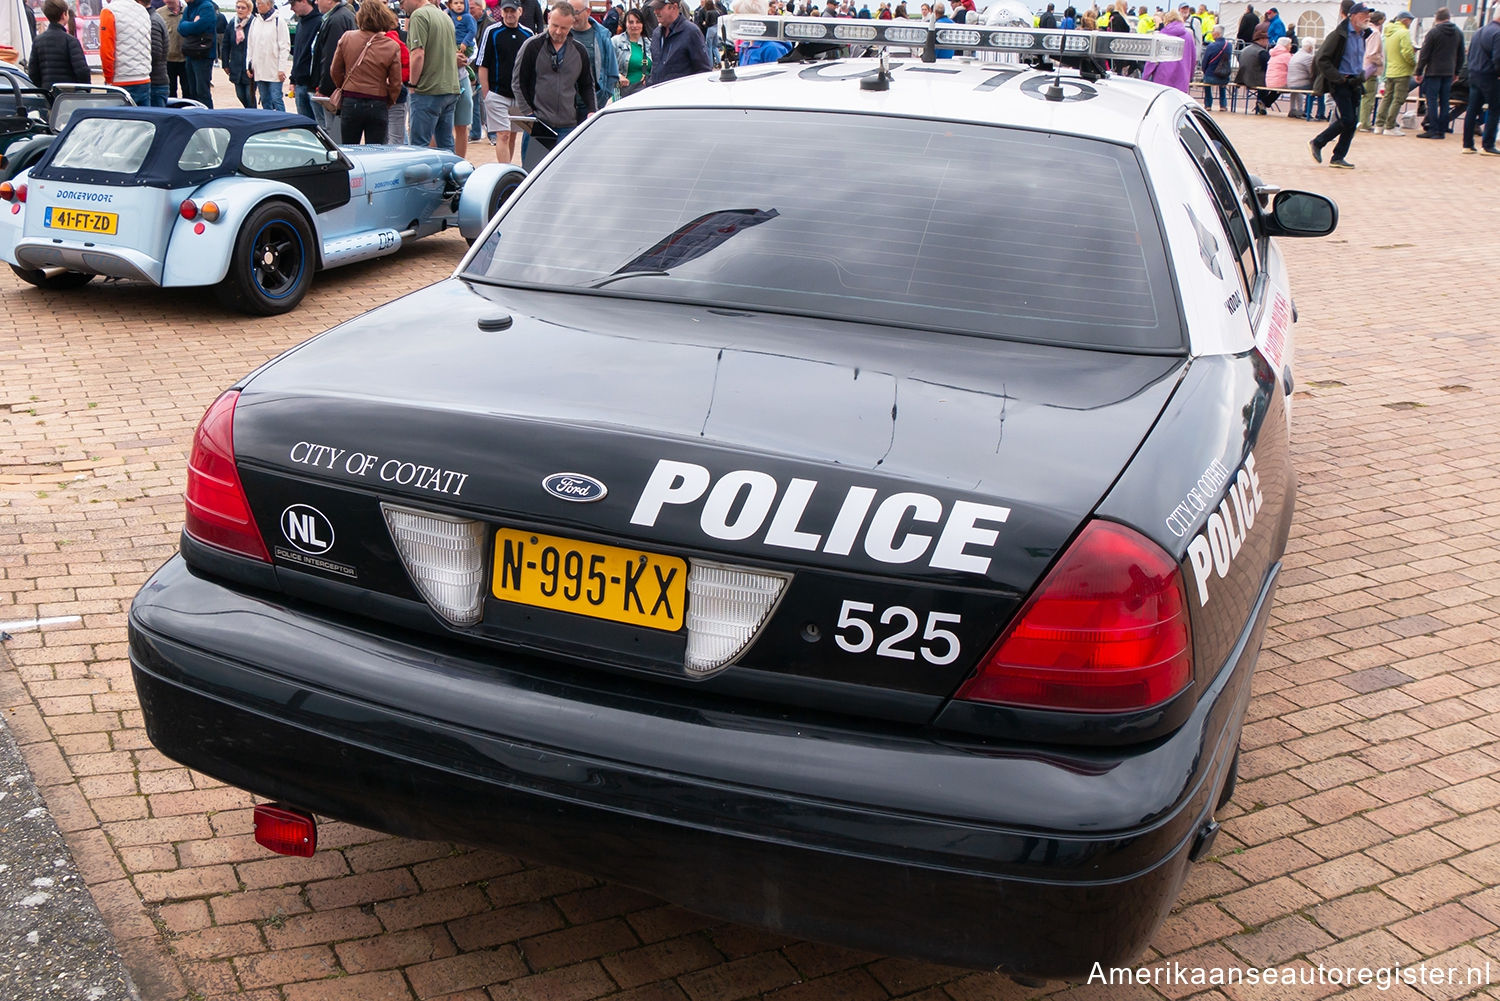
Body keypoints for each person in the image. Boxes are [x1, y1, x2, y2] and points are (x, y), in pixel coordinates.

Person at [511, 1, 596, 141]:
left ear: (572, 24)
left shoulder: (579, 51)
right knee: (535, 163)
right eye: (555, 26)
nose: (558, 31)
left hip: (568, 125)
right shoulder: (532, 46)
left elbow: (587, 84)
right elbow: (518, 83)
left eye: (564, 28)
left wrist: (592, 110)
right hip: (539, 122)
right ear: (549, 17)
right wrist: (529, 114)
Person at [1309, 0, 1371, 168]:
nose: (1367, 18)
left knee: (1353, 121)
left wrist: (1362, 73)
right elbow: (1322, 59)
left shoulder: (1362, 35)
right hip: (1340, 82)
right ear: (1353, 16)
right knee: (1347, 118)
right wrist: (1338, 78)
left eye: (1368, 15)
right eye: (1364, 15)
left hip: (1355, 82)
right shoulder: (1339, 35)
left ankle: (1338, 157)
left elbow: (1357, 60)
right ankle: (1318, 142)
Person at [330, 0, 402, 142]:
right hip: (378, 100)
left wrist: (343, 85)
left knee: (349, 148)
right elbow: (396, 82)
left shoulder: (347, 37)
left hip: (351, 99)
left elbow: (335, 70)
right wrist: (389, 100)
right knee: (376, 150)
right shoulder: (391, 46)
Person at [404, 0, 461, 149]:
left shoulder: (419, 15)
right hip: (449, 88)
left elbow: (417, 53)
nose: (401, 5)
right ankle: (451, 172)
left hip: (428, 89)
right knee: (446, 145)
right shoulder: (444, 16)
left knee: (419, 147)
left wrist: (412, 84)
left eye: (402, 1)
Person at [478, 0, 531, 159]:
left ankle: (508, 171)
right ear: (501, 12)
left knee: (512, 135)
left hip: (519, 96)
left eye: (512, 11)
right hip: (497, 93)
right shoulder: (492, 32)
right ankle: (504, 172)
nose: (509, 14)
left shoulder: (528, 34)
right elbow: (482, 63)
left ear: (520, 11)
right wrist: (487, 94)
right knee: (503, 134)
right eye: (506, 11)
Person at [1414, 7, 1463, 138]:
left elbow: (1424, 54)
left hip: (1433, 72)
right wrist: (1456, 72)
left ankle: (1433, 128)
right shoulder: (1458, 32)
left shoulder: (1433, 32)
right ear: (1449, 17)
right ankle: (1442, 129)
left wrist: (1419, 71)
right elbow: (1461, 54)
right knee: (1445, 101)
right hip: (1449, 72)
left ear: (1437, 18)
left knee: (1432, 101)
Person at [28, 0, 91, 91]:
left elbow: (33, 72)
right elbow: (82, 70)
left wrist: (42, 89)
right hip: (68, 94)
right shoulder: (70, 41)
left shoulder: (38, 41)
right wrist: (85, 90)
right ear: (64, 15)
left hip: (47, 93)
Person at [313, 0, 356, 132]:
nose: (315, 2)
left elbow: (332, 58)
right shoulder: (342, 15)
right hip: (342, 86)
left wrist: (325, 88)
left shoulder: (336, 20)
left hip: (335, 89)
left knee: (334, 134)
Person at [101, 0, 154, 103]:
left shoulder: (109, 11)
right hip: (144, 77)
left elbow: (107, 50)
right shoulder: (143, 11)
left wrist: (108, 80)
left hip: (121, 80)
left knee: (119, 118)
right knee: (143, 117)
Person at [1463, 4, 1500, 153]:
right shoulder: (1498, 33)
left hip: (1475, 74)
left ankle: (1467, 144)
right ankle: (1488, 145)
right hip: (1491, 77)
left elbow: (1470, 53)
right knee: (1494, 109)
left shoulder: (1479, 31)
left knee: (1472, 109)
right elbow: (1498, 58)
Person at [645, 0, 707, 85]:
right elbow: (655, 67)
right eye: (655, 8)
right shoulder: (657, 34)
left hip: (682, 95)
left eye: (659, 8)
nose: (655, 11)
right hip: (658, 94)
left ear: (674, 7)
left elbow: (703, 71)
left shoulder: (691, 32)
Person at [571, 0, 618, 108]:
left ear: (588, 11)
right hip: (566, 107)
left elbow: (612, 71)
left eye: (576, 12)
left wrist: (601, 98)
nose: (573, 17)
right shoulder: (563, 33)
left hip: (593, 105)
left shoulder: (602, 36)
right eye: (569, 12)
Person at [1376, 10, 1415, 134]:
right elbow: (1407, 52)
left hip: (1390, 70)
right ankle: (1390, 126)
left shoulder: (1388, 32)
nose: (1410, 23)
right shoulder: (1404, 32)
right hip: (1402, 71)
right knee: (1398, 99)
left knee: (1387, 98)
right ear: (1405, 20)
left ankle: (1379, 125)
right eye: (1410, 21)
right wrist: (1414, 63)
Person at [245, 0, 289, 109]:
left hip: (274, 68)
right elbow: (250, 46)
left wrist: (282, 68)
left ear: (269, 5)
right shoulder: (255, 21)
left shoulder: (279, 21)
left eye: (260, 3)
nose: (257, 6)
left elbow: (284, 47)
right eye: (257, 3)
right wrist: (248, 65)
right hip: (259, 68)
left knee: (276, 98)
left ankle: (282, 124)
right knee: (264, 99)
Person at [448, 0, 478, 154]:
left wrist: (464, 51)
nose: (458, 5)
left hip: (462, 76)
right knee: (442, 125)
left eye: (461, 2)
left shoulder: (468, 18)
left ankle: (460, 160)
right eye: (455, 2)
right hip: (445, 78)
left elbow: (473, 44)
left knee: (462, 124)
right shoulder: (446, 17)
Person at [1142, 9, 1194, 93]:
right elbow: (1192, 58)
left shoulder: (1161, 35)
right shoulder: (1188, 35)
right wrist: (1190, 76)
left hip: (1163, 75)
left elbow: (1152, 60)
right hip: (1182, 75)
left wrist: (1145, 76)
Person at [176, 0, 218, 105]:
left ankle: (208, 117)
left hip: (203, 54)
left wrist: (188, 25)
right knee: (192, 91)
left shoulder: (206, 7)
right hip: (190, 53)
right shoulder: (188, 8)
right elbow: (180, 28)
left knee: (202, 92)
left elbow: (199, 27)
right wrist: (191, 24)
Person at [288, 0, 322, 121]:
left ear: (303, 2)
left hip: (313, 85)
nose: (291, 9)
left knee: (320, 127)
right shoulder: (300, 24)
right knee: (304, 126)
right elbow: (297, 54)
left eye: (293, 4)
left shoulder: (320, 22)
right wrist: (293, 79)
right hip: (300, 83)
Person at [220, 0, 253, 107]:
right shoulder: (232, 23)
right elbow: (225, 44)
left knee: (250, 96)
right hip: (236, 64)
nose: (239, 10)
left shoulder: (254, 23)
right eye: (238, 7)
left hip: (250, 67)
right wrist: (225, 63)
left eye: (243, 8)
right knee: (240, 95)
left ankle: (252, 117)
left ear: (249, 10)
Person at [612, 6, 649, 93]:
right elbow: (605, 66)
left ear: (643, 24)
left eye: (638, 22)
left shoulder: (650, 43)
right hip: (622, 93)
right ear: (625, 23)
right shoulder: (616, 41)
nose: (634, 25)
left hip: (646, 92)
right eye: (631, 22)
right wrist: (618, 76)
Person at [1357, 9, 1383, 130]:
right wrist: (1381, 62)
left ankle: (1360, 121)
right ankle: (1364, 123)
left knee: (1361, 96)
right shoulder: (1375, 33)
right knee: (1368, 97)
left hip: (1360, 67)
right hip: (1370, 69)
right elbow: (1372, 54)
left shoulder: (1363, 30)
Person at [1286, 34, 1322, 118]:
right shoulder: (1308, 57)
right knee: (1320, 89)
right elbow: (1312, 73)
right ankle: (1317, 113)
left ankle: (1293, 109)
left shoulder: (1296, 55)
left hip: (1291, 83)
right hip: (1301, 84)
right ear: (1310, 48)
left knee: (1296, 91)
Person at [1235, 23, 1268, 113]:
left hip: (1241, 78)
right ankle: (1263, 103)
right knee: (1273, 86)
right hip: (1255, 80)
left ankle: (1261, 104)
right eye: (1267, 39)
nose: (1268, 41)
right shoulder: (1262, 52)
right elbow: (1267, 68)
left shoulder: (1244, 49)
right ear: (1261, 40)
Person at [1199, 23, 1230, 108]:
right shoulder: (1229, 45)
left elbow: (1205, 61)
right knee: (1222, 85)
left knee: (1207, 83)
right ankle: (1223, 105)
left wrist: (1204, 71)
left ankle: (1208, 104)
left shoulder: (1211, 46)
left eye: (1213, 31)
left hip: (1210, 76)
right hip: (1224, 76)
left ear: (1217, 33)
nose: (1211, 33)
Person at [160, 0, 185, 97]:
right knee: (170, 92)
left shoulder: (187, 11)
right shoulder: (159, 13)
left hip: (185, 59)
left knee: (188, 91)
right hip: (168, 60)